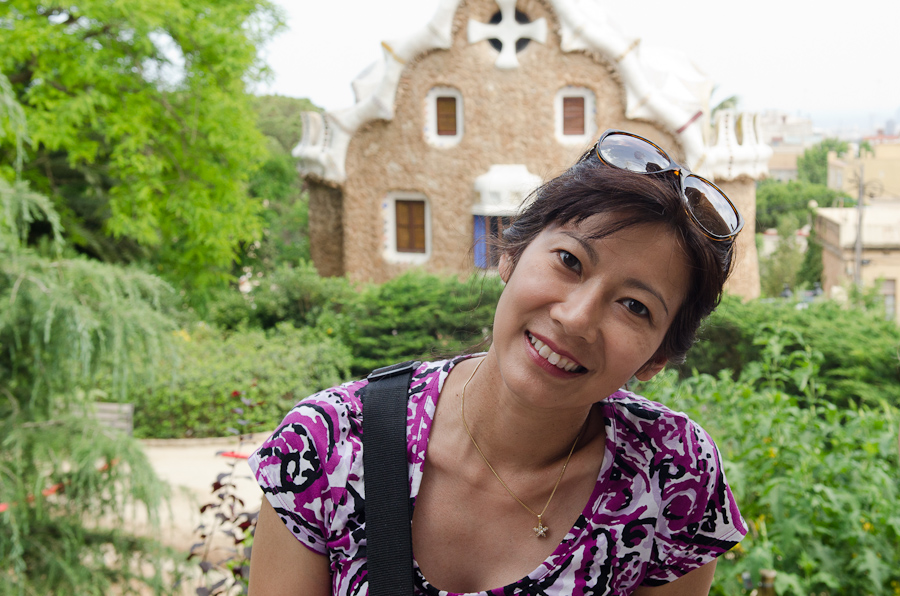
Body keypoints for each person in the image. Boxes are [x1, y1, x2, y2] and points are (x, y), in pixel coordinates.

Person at [248, 129, 748, 595]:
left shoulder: (671, 474)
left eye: (635, 307)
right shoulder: (328, 446)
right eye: (570, 261)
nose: (576, 319)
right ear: (510, 253)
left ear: (657, 356)